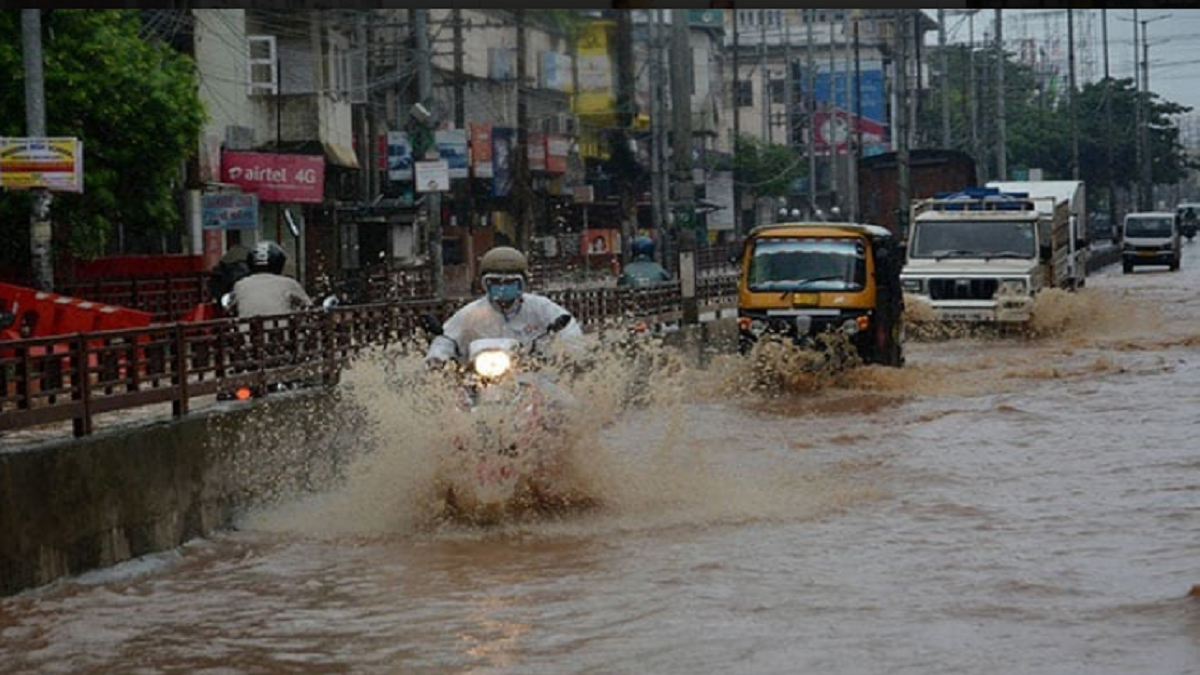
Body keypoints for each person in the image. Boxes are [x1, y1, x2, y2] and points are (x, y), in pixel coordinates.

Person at [426, 246, 584, 368]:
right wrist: (437, 357)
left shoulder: (540, 307)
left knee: (565, 403)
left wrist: (567, 353)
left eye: (509, 282)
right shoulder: (470, 314)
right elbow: (448, 338)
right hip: (480, 379)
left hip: (534, 374)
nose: (502, 288)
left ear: (522, 284)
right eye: (496, 282)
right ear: (485, 284)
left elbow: (568, 329)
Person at [227, 241, 312, 317]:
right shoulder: (289, 283)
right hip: (279, 332)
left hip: (248, 333)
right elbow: (308, 306)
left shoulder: (240, 285)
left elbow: (230, 307)